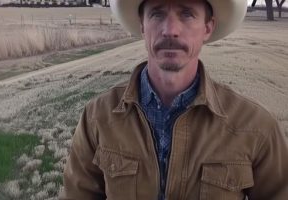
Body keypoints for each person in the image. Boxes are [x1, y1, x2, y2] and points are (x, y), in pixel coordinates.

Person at [59, 0, 288, 199]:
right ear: (142, 26)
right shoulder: (97, 118)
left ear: (208, 28)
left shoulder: (256, 128)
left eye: (187, 14)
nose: (170, 30)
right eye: (157, 14)